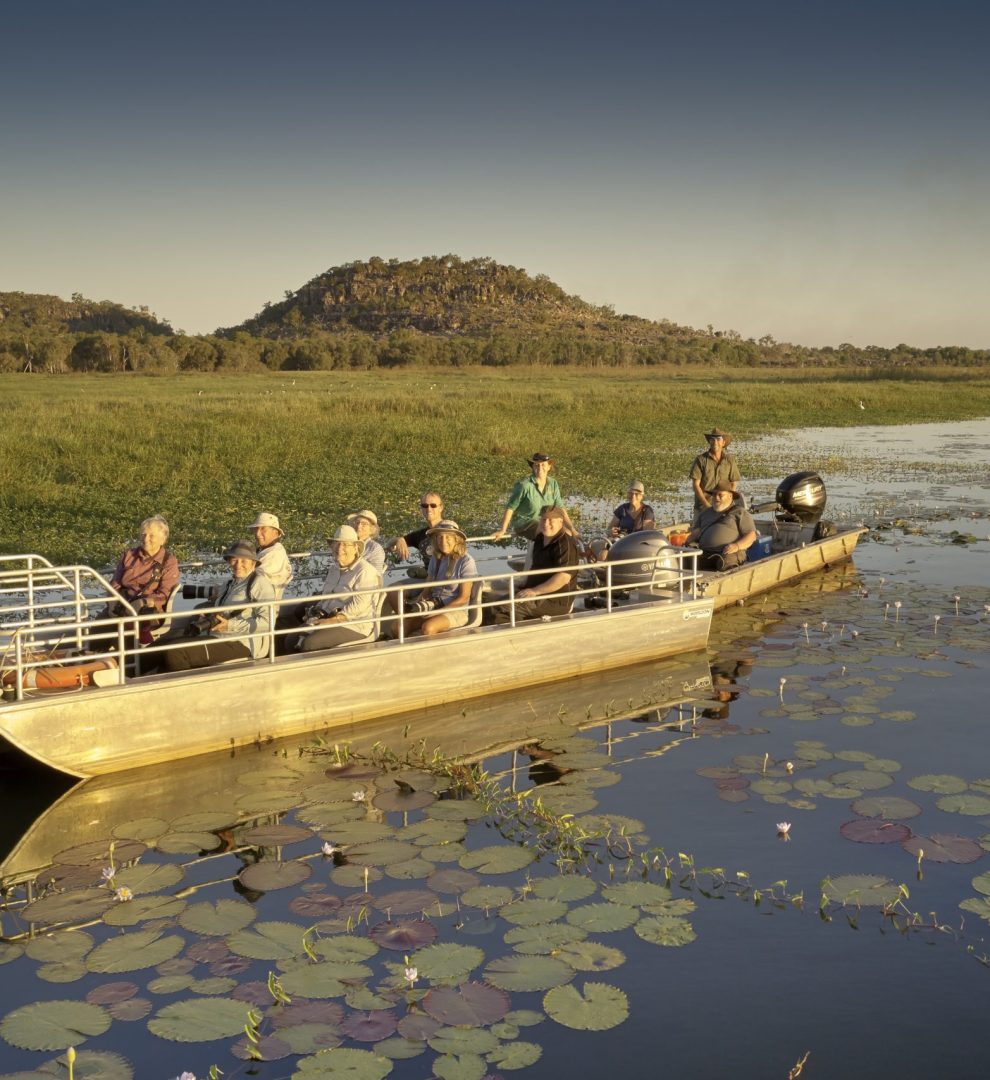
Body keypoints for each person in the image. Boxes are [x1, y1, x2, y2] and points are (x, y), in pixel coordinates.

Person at [162, 540, 275, 671]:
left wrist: (230, 625)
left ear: (253, 563)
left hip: (240, 642)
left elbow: (268, 622)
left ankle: (187, 689)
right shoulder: (228, 583)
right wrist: (206, 617)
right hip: (217, 636)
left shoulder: (259, 583)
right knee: (161, 647)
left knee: (176, 653)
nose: (238, 565)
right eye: (234, 560)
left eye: (244, 561)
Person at [290, 525, 381, 653]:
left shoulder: (365, 571)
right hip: (329, 617)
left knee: (309, 643)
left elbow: (359, 605)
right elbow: (325, 597)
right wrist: (315, 612)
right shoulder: (334, 569)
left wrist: (331, 621)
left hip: (354, 625)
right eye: (336, 544)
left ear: (355, 548)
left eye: (345, 545)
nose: (339, 548)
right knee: (290, 639)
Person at [384, 520, 477, 638]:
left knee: (428, 628)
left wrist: (437, 612)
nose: (443, 541)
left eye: (448, 537)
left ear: (457, 539)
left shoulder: (466, 561)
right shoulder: (435, 558)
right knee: (397, 627)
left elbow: (463, 598)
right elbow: (427, 588)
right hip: (433, 604)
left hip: (456, 610)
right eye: (440, 537)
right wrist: (420, 603)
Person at [493, 506, 579, 623]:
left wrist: (535, 591)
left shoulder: (564, 544)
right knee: (491, 601)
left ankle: (512, 637)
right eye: (543, 519)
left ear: (561, 522)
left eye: (551, 520)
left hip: (554, 600)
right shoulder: (540, 538)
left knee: (502, 608)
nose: (546, 523)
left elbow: (563, 577)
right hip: (535, 591)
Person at [104, 515, 181, 646]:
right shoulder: (128, 555)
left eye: (151, 536)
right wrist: (112, 602)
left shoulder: (169, 561)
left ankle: (132, 661)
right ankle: (91, 659)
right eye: (143, 534)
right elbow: (114, 585)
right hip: (123, 605)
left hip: (148, 611)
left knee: (128, 629)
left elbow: (164, 594)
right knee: (99, 625)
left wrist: (143, 602)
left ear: (163, 540)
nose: (146, 539)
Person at [494, 453, 579, 541]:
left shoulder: (553, 483)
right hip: (525, 523)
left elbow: (560, 508)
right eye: (536, 465)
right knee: (547, 534)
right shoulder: (524, 485)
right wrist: (503, 530)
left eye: (543, 465)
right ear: (533, 467)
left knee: (568, 534)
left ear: (549, 466)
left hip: (545, 521)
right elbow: (510, 508)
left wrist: (572, 529)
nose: (539, 468)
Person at [686, 485, 757, 571]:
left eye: (720, 495)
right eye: (714, 495)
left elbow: (751, 536)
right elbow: (696, 533)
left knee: (725, 563)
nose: (716, 497)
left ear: (730, 496)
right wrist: (687, 543)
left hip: (729, 553)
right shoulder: (705, 513)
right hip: (705, 552)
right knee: (685, 559)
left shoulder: (740, 513)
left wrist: (737, 546)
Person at [385, 492, 445, 574]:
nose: (429, 509)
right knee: (393, 586)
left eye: (433, 505)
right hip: (428, 577)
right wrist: (399, 539)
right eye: (425, 506)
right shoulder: (420, 534)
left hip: (446, 577)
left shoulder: (449, 529)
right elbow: (388, 543)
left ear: (441, 507)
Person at [690, 428, 740, 515]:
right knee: (698, 528)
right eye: (712, 439)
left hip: (723, 506)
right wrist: (706, 505)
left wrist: (728, 501)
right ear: (710, 442)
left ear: (723, 443)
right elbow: (696, 485)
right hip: (703, 507)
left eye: (718, 439)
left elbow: (733, 484)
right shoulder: (701, 460)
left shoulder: (730, 460)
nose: (715, 442)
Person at [249, 512, 293, 598]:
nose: (257, 534)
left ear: (276, 533)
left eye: (263, 529)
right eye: (256, 529)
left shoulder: (274, 555)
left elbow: (250, 580)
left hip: (262, 605)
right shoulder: (264, 550)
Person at [346, 510, 386, 575]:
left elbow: (375, 576)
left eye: (364, 524)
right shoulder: (347, 543)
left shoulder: (375, 549)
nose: (359, 526)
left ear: (371, 529)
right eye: (357, 522)